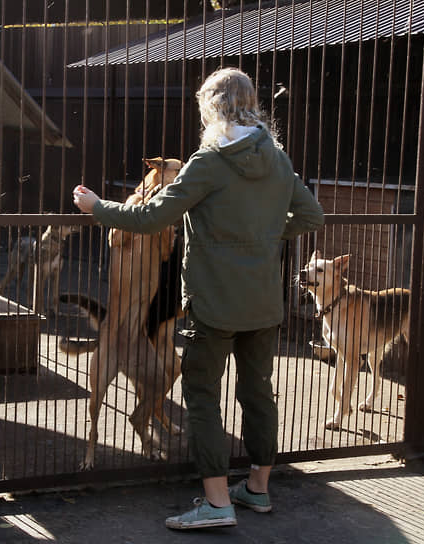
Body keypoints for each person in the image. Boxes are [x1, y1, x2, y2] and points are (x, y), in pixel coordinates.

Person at [72, 67, 324, 530]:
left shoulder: (208, 161)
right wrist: (264, 238)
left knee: (202, 395)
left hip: (212, 304)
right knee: (258, 392)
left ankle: (216, 503)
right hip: (264, 303)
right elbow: (311, 216)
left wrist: (97, 208)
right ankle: (256, 490)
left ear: (211, 106)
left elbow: (150, 218)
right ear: (252, 105)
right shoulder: (279, 160)